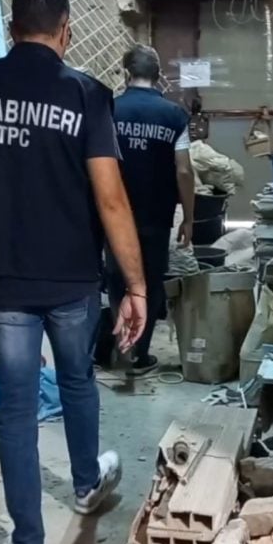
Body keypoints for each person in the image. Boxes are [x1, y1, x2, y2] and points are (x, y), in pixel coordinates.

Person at [0, 0, 147, 544]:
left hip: (1, 276)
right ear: (66, 30)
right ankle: (85, 486)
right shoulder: (85, 94)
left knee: (20, 405)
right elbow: (110, 198)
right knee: (78, 377)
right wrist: (135, 285)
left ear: (10, 29)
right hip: (72, 277)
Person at [107, 44, 195, 375]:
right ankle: (141, 354)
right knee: (150, 281)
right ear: (158, 77)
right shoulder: (174, 116)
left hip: (115, 215)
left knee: (118, 279)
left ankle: (122, 350)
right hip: (157, 216)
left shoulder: (108, 111)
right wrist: (188, 217)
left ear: (126, 73)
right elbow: (184, 170)